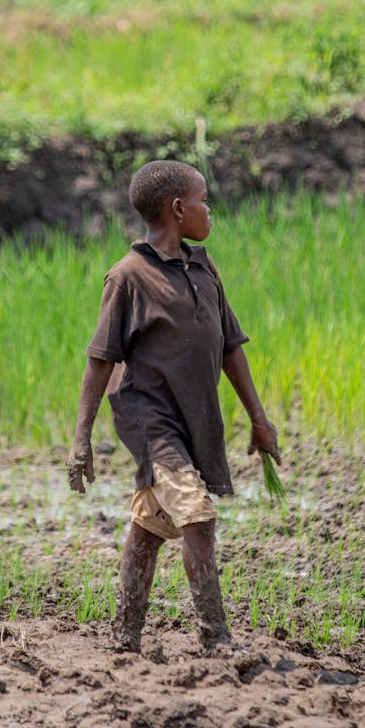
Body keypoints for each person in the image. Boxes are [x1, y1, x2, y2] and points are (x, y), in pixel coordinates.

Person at [66, 159, 280, 653]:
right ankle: (216, 640)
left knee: (151, 526)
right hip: (149, 418)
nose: (210, 211)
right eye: (205, 200)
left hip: (195, 417)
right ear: (179, 208)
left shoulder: (203, 267)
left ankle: (125, 636)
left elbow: (230, 347)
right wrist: (81, 439)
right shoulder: (128, 276)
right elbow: (99, 362)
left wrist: (259, 419)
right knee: (197, 518)